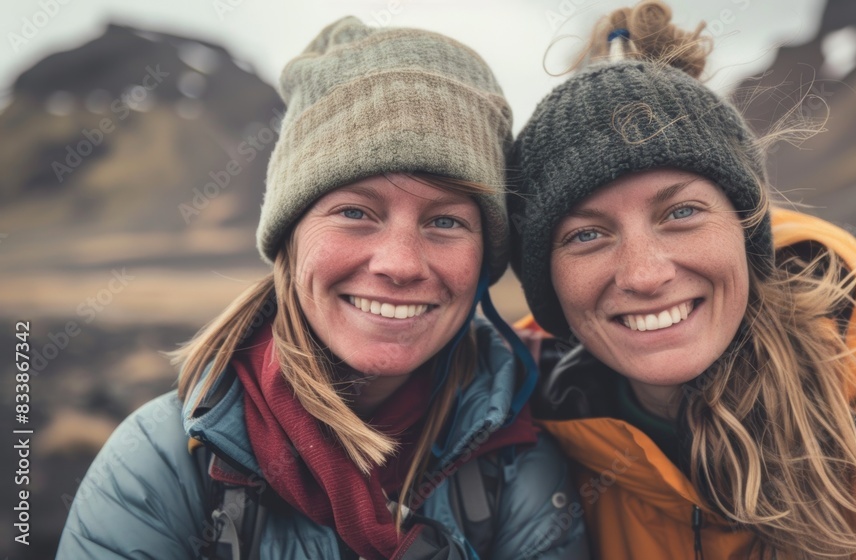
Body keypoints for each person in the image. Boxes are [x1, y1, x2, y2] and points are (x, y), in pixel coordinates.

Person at [57, 17, 589, 560]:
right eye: (355, 212)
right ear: (289, 239)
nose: (401, 265)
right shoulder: (160, 465)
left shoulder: (517, 461)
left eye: (446, 221)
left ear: (485, 259)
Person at [507, 1, 856, 558]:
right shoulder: (523, 449)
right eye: (586, 236)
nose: (644, 275)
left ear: (747, 233)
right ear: (546, 281)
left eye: (681, 213)